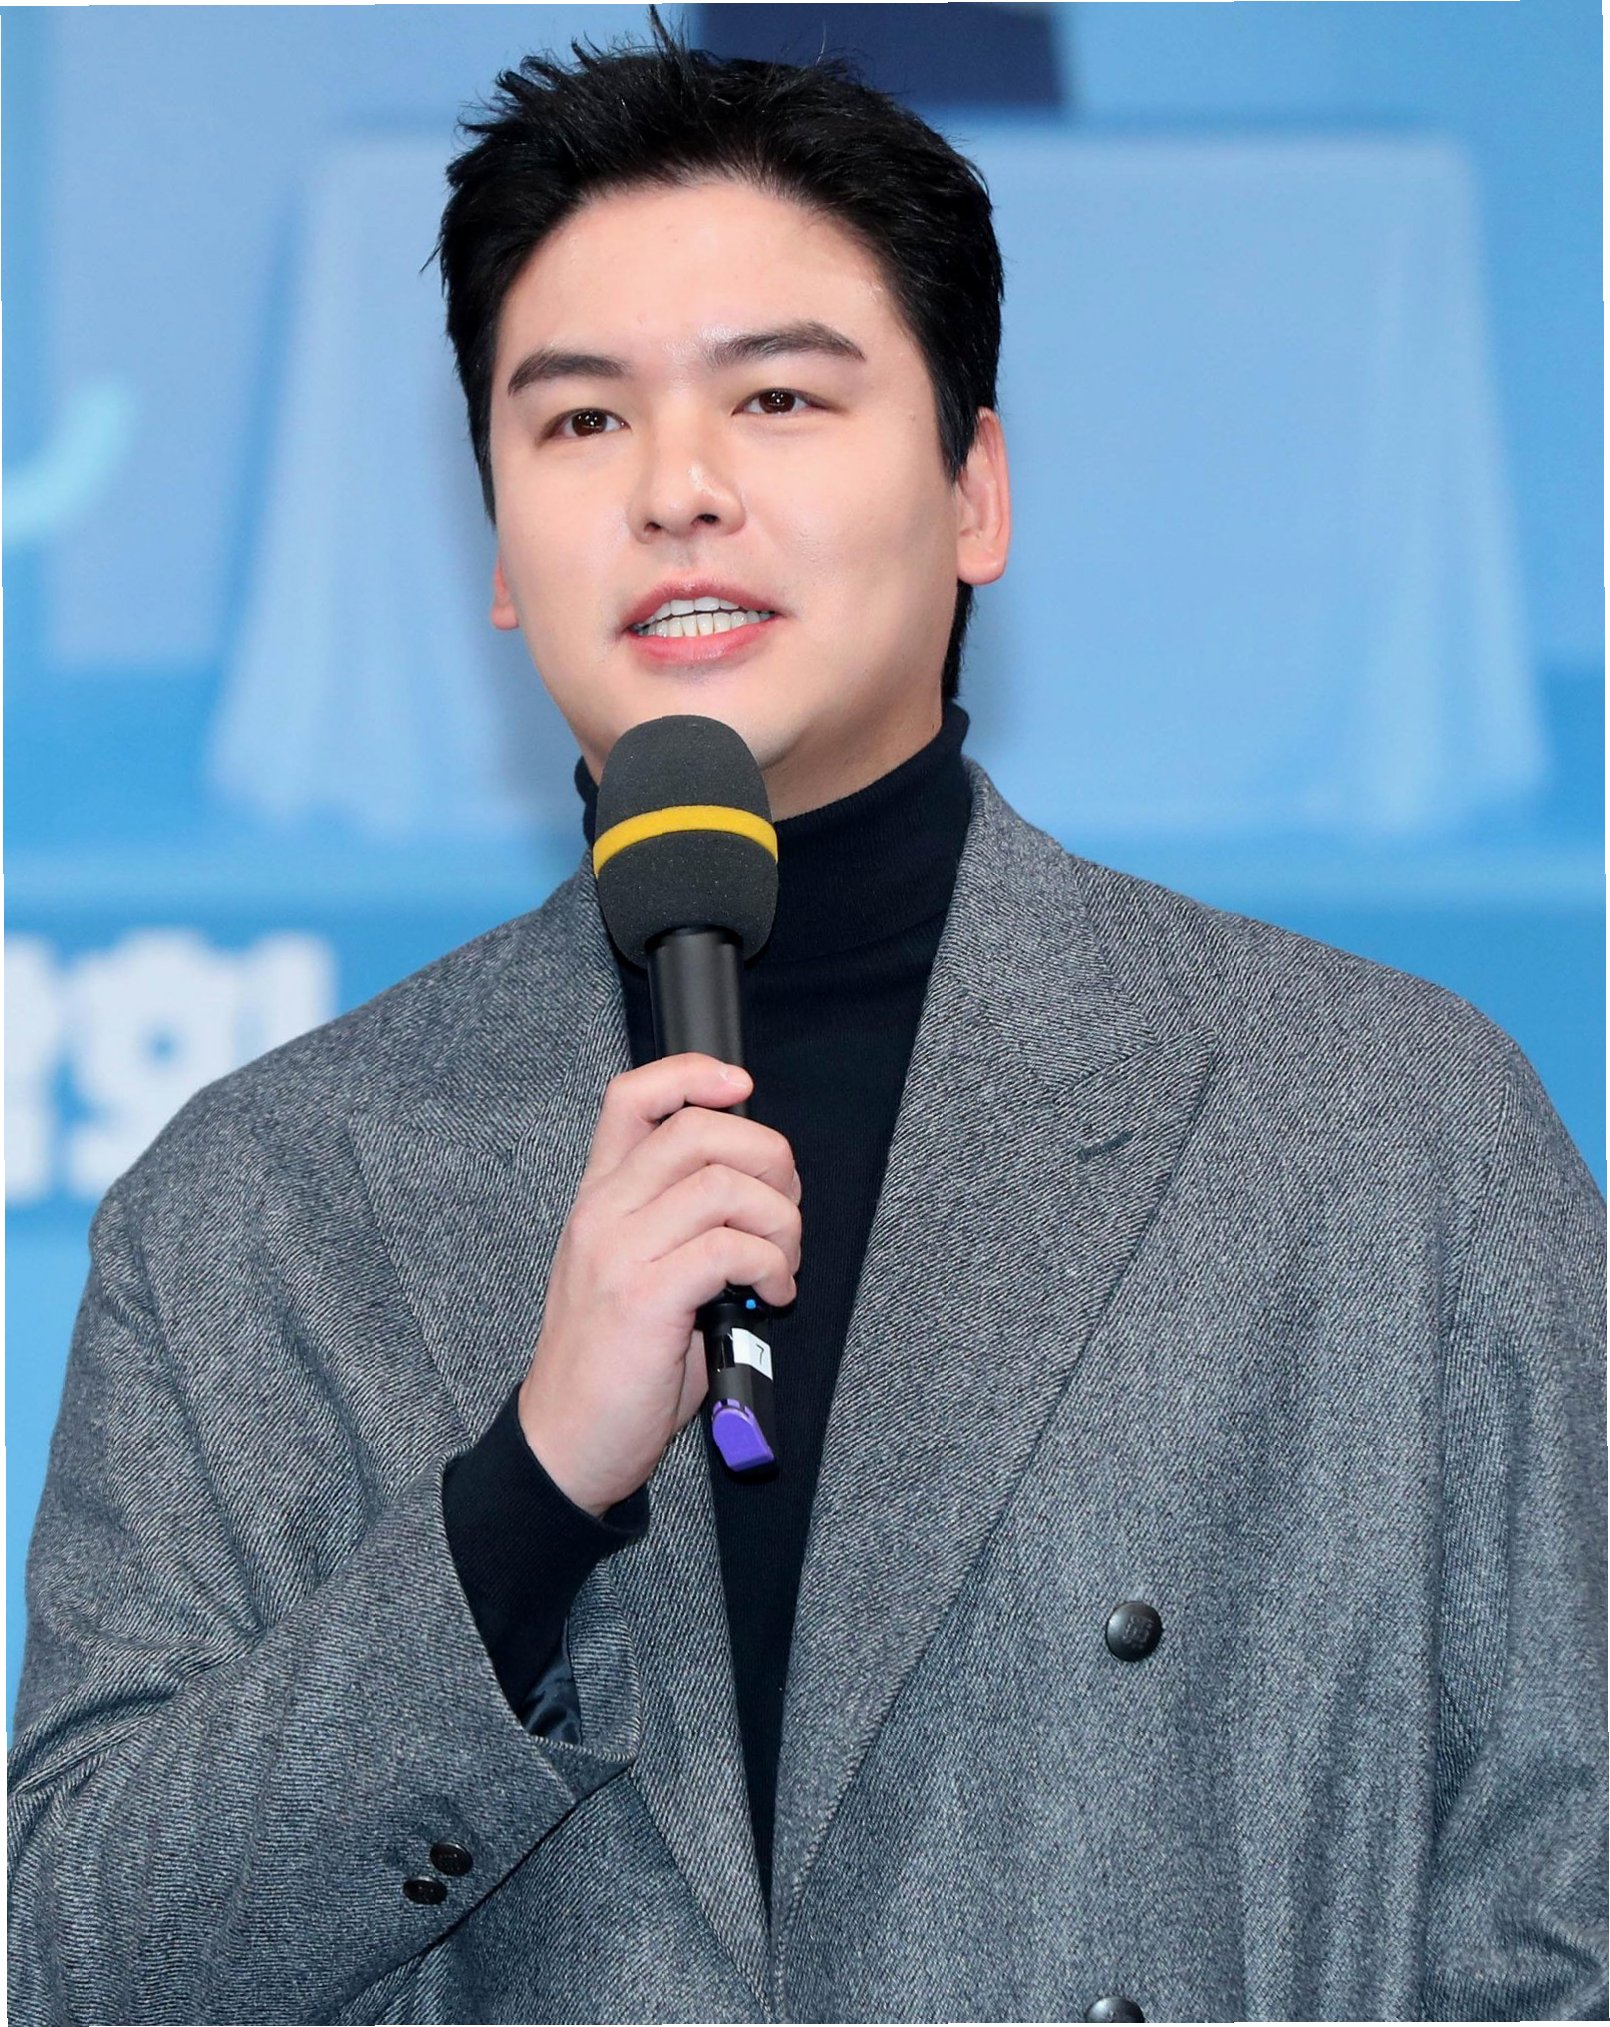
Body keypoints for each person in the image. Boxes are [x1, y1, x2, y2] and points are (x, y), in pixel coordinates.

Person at [9, 17, 1605, 2025]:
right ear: (495, 546)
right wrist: (526, 1496)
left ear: (974, 490)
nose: (678, 490)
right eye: (579, 421)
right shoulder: (254, 1204)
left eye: (776, 397)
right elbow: (80, 1968)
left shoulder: (1384, 1125)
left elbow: (1564, 1913)